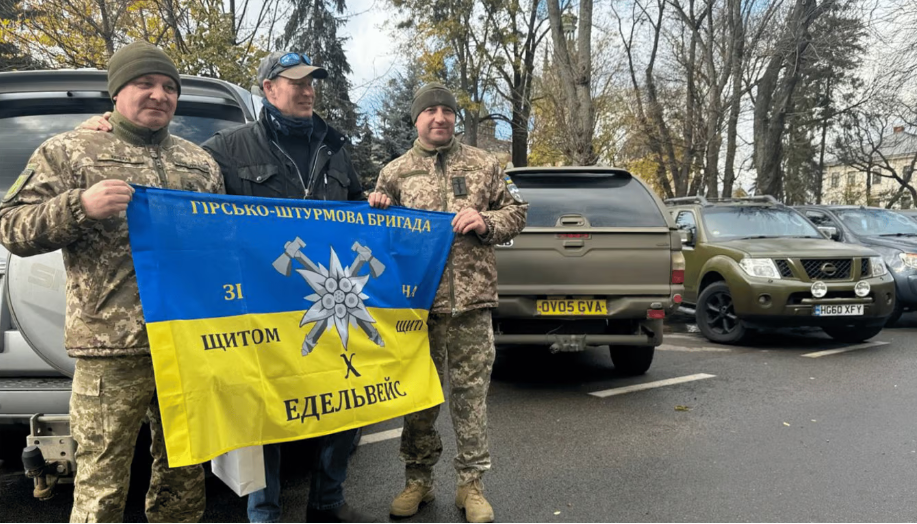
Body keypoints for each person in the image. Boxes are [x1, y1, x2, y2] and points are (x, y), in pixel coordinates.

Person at [85, 50, 385, 523]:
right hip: (260, 304)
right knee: (263, 406)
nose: (307, 90)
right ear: (268, 88)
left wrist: (374, 202)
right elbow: (180, 196)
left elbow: (353, 215)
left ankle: (328, 501)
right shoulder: (226, 149)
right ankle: (263, 508)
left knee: (342, 402)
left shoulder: (336, 148)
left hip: (327, 301)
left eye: (312, 83)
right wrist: (105, 125)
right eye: (296, 82)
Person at [0, 41, 223, 522]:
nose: (159, 95)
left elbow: (223, 241)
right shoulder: (70, 150)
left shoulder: (199, 163)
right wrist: (81, 205)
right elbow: (10, 227)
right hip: (111, 348)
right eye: (145, 84)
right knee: (101, 482)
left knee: (185, 474)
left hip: (186, 340)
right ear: (118, 90)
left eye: (168, 87)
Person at [368, 82, 528, 523]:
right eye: (430, 111)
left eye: (446, 111)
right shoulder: (395, 173)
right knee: (419, 401)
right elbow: (380, 242)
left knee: (470, 400)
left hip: (472, 308)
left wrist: (487, 220)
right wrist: (378, 209)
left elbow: (517, 212)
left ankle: (471, 486)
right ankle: (417, 480)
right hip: (418, 311)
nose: (439, 117)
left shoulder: (484, 164)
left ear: (454, 118)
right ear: (416, 119)